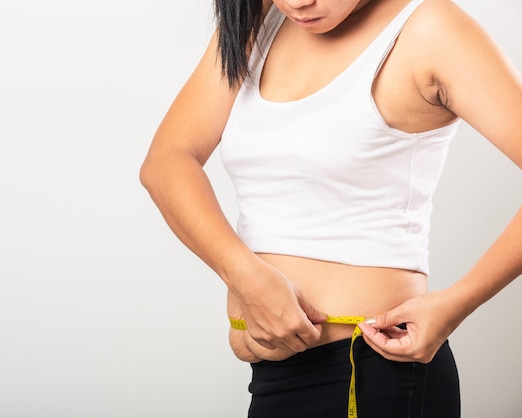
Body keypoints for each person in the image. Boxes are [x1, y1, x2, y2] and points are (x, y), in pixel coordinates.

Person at [140, 0, 522, 416]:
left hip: (373, 371)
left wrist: (457, 303)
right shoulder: (258, 21)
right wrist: (245, 276)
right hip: (272, 380)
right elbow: (167, 161)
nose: (298, 2)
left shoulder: (430, 29)